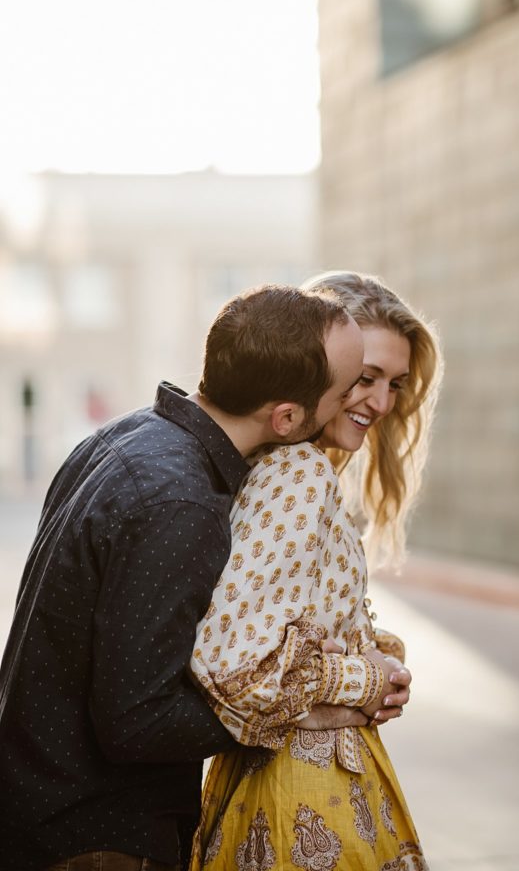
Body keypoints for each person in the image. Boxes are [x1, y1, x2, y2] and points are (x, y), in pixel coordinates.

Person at [0, 284, 366, 871]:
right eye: (345, 389)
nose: (358, 400)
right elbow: (138, 723)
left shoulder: (126, 435)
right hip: (94, 839)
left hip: (43, 809)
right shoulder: (181, 502)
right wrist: (301, 708)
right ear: (289, 417)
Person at [190, 271, 442, 870]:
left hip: (314, 781)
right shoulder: (297, 473)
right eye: (366, 378)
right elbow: (237, 664)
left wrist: (377, 650)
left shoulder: (303, 470)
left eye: (395, 385)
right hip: (299, 795)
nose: (382, 404)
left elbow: (285, 621)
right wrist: (367, 680)